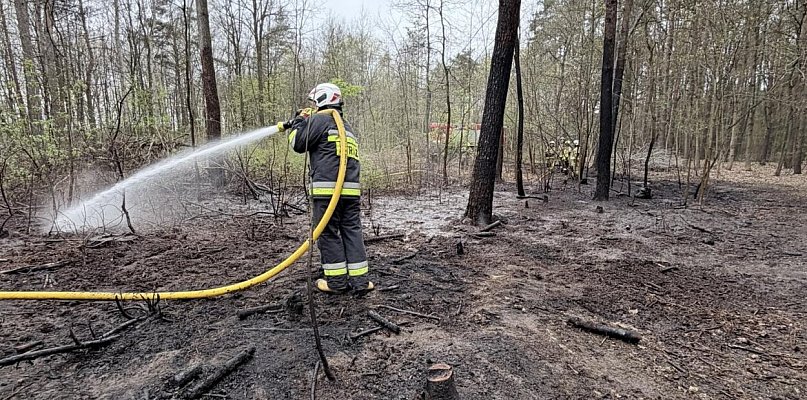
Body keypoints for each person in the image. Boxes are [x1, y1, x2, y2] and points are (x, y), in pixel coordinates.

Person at [277, 83, 374, 295]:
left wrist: (299, 123)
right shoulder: (346, 126)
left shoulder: (320, 120)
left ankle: (336, 282)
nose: (312, 106)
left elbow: (297, 144)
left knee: (327, 232)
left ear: (322, 99)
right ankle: (360, 282)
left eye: (314, 102)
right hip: (350, 192)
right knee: (352, 230)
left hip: (327, 191)